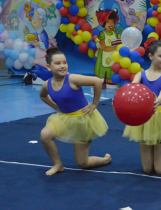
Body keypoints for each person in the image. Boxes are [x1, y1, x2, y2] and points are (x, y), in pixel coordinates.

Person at [39, 47, 111, 176]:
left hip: (83, 119)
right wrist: (56, 107)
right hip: (65, 117)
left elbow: (97, 82)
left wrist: (94, 103)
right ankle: (58, 165)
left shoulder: (72, 79)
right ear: (49, 67)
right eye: (58, 63)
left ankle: (106, 159)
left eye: (65, 62)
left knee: (82, 163)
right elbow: (43, 95)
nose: (62, 66)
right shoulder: (47, 84)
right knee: (45, 135)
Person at [123, 38, 161, 175]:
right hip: (144, 119)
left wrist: (158, 100)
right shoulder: (141, 75)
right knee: (147, 169)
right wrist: (121, 102)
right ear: (151, 56)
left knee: (160, 170)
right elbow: (131, 88)